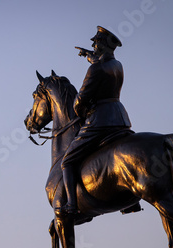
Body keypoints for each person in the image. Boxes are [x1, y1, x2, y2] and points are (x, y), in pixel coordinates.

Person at [57, 26, 141, 216]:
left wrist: (81, 111)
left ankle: (71, 205)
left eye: (95, 43)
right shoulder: (117, 65)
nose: (93, 46)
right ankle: (130, 202)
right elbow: (103, 66)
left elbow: (80, 100)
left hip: (100, 121)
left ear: (101, 45)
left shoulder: (95, 68)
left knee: (67, 162)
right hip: (120, 118)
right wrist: (90, 57)